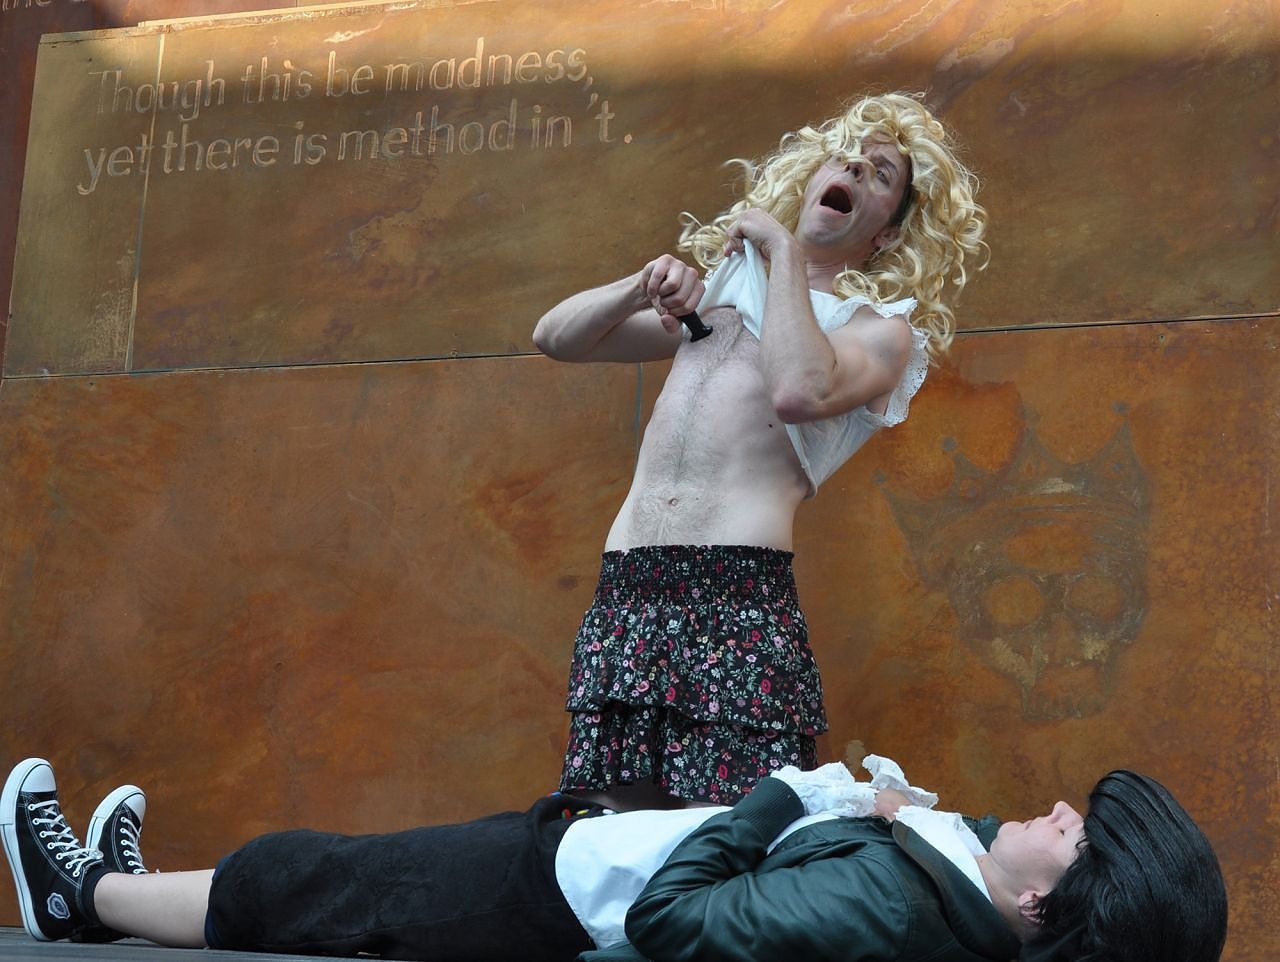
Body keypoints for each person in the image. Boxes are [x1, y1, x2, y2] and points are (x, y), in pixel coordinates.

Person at [533, 92, 988, 808]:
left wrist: (782, 251)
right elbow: (555, 338)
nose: (854, 170)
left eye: (880, 174)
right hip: (628, 584)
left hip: (734, 591)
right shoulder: (720, 298)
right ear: (811, 179)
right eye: (845, 159)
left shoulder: (880, 330)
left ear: (887, 234)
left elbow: (798, 390)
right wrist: (643, 284)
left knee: (723, 831)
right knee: (604, 820)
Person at [1, 755, 1227, 962]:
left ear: (1039, 907)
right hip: (573, 867)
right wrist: (886, 801)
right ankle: (130, 894)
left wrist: (790, 789)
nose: (1057, 808)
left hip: (563, 896)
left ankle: (81, 896)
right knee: (334, 878)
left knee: (316, 883)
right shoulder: (950, 889)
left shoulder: (886, 906)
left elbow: (674, 920)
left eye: (1074, 835)